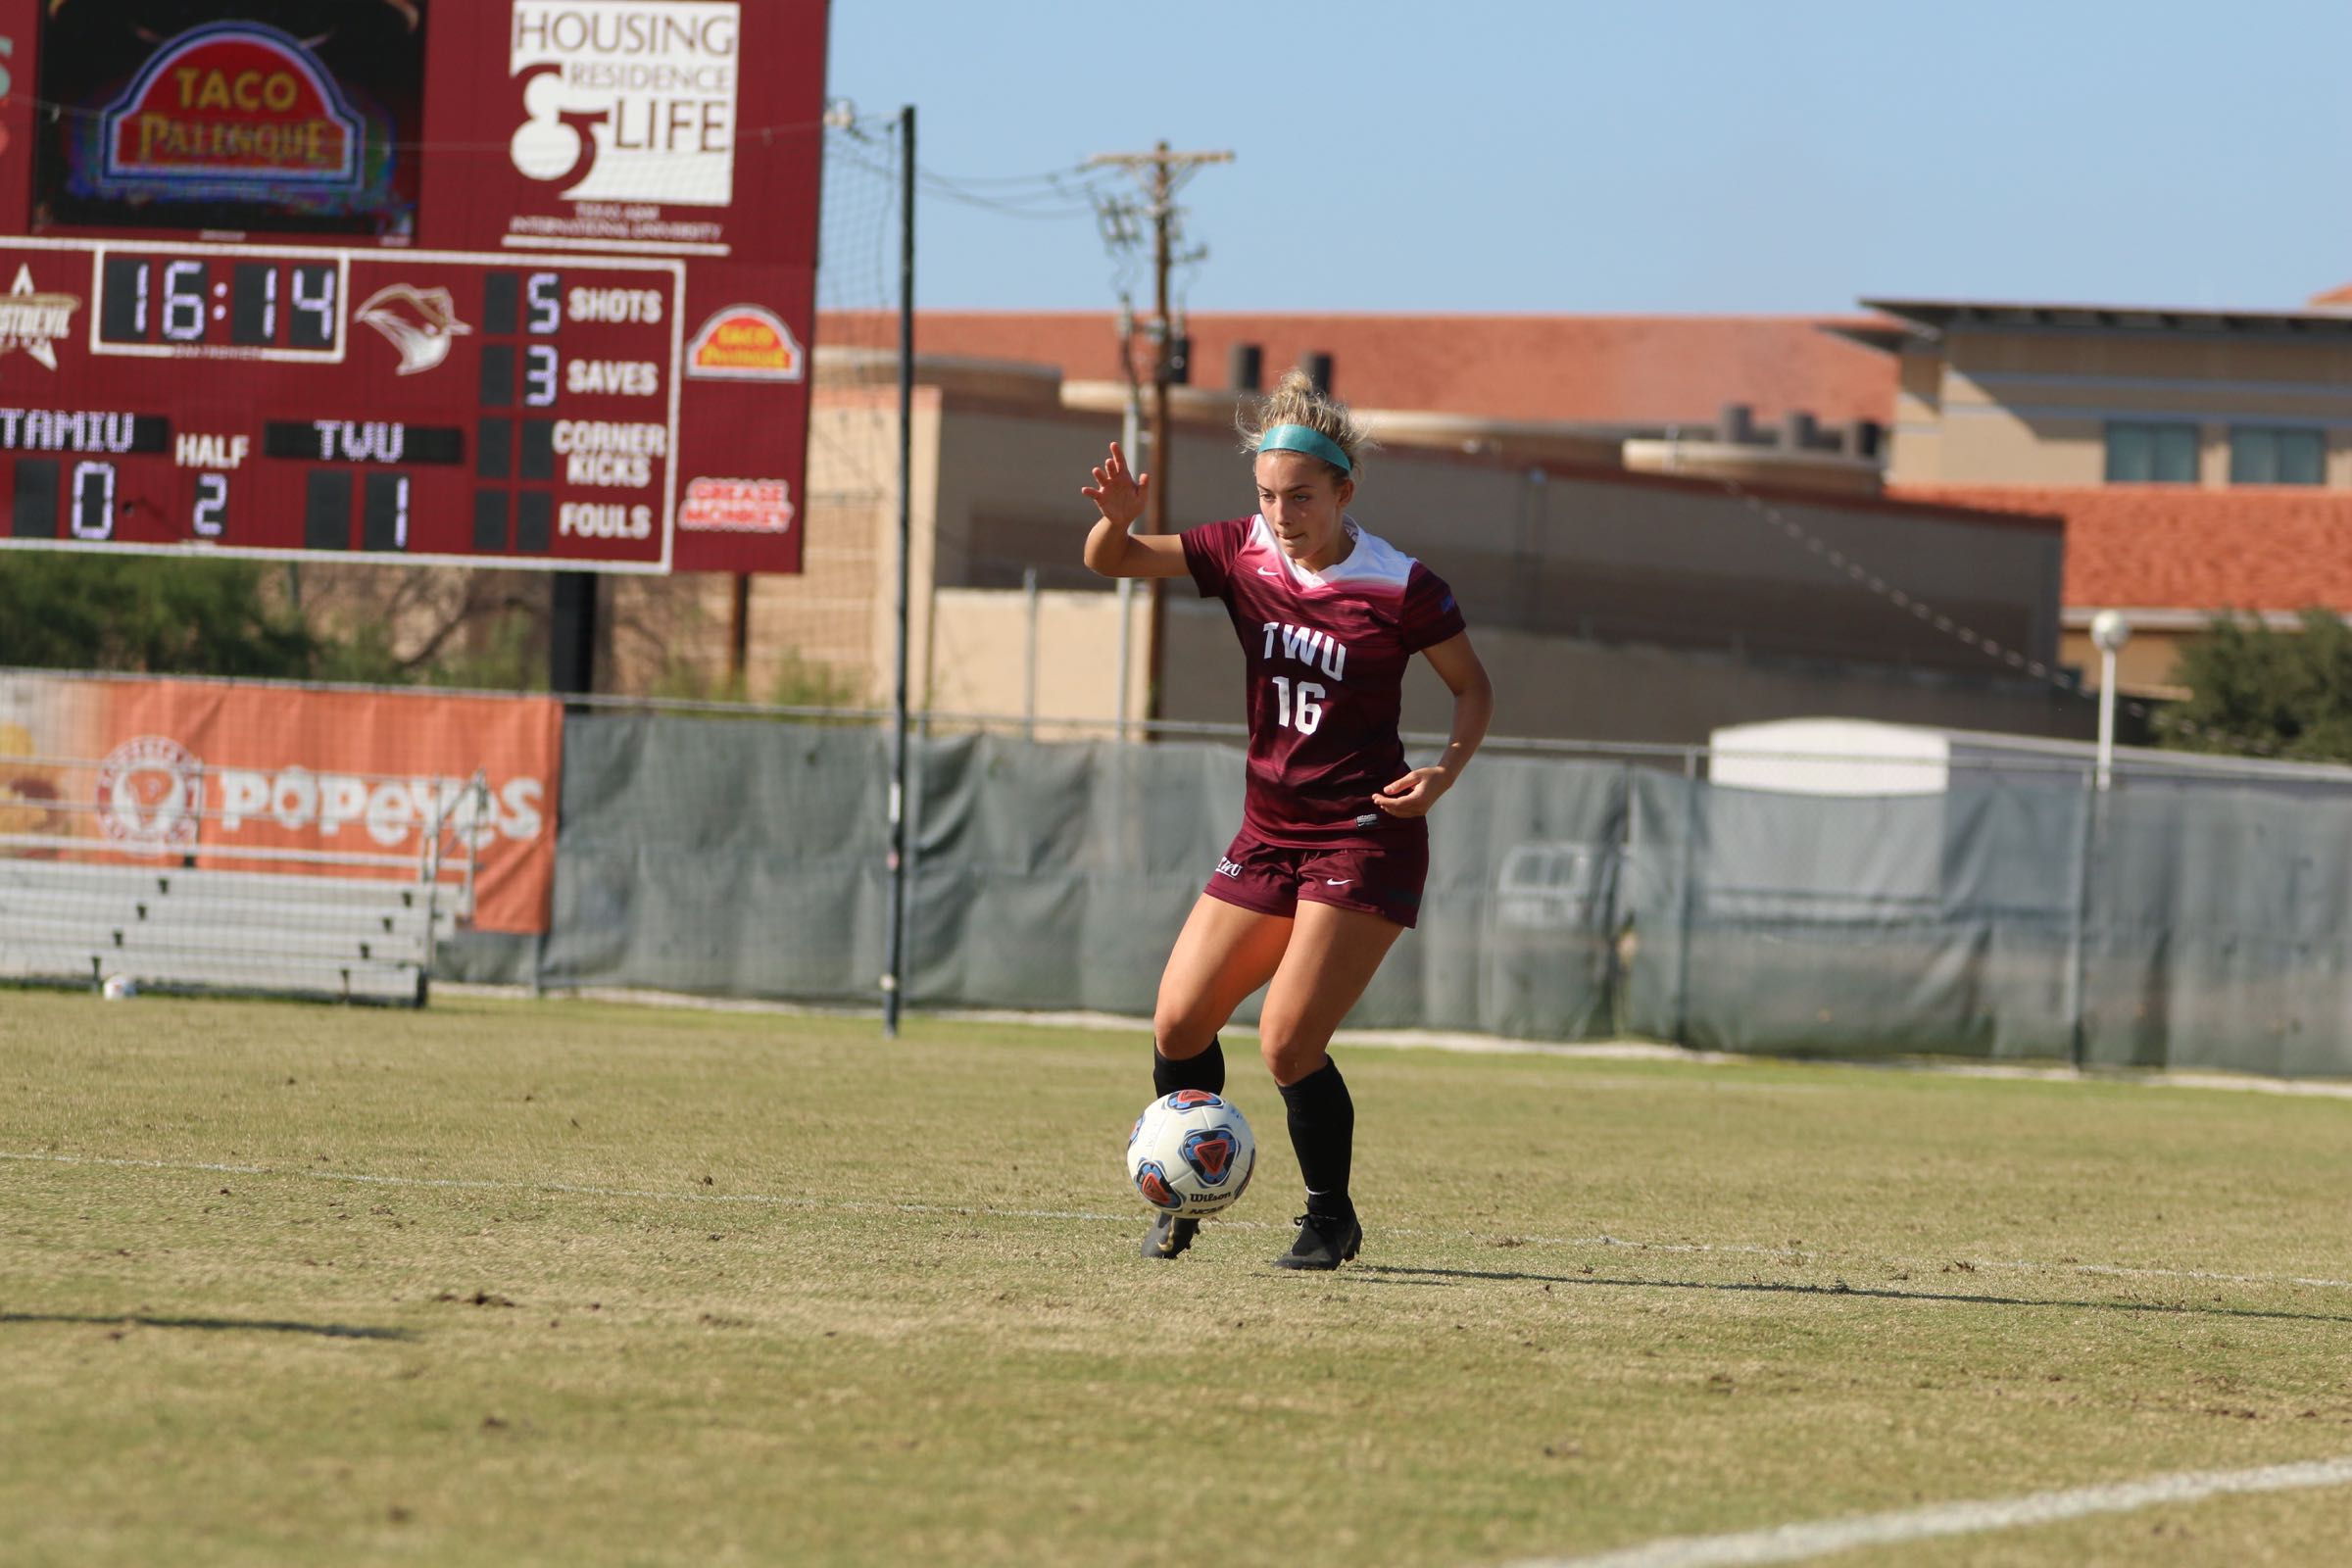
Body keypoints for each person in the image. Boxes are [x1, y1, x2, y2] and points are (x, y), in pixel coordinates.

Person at [1080, 370, 1494, 1269]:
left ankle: (1329, 1217)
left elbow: (1472, 688)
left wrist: (1444, 775)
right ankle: (1184, 1200)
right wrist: (1117, 518)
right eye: (1267, 496)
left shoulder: (1402, 585)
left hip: (1364, 835)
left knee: (1287, 1040)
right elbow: (1112, 563)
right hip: (1267, 834)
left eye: (1301, 497)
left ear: (1346, 491)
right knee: (1180, 1021)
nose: (1281, 513)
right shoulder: (1238, 552)